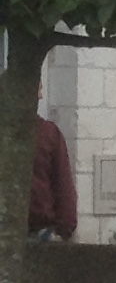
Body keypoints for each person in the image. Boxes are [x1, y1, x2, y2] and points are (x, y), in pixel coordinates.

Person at [28, 97, 75, 241]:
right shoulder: (48, 133)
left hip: (39, 231)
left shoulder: (48, 133)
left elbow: (63, 185)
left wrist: (62, 231)